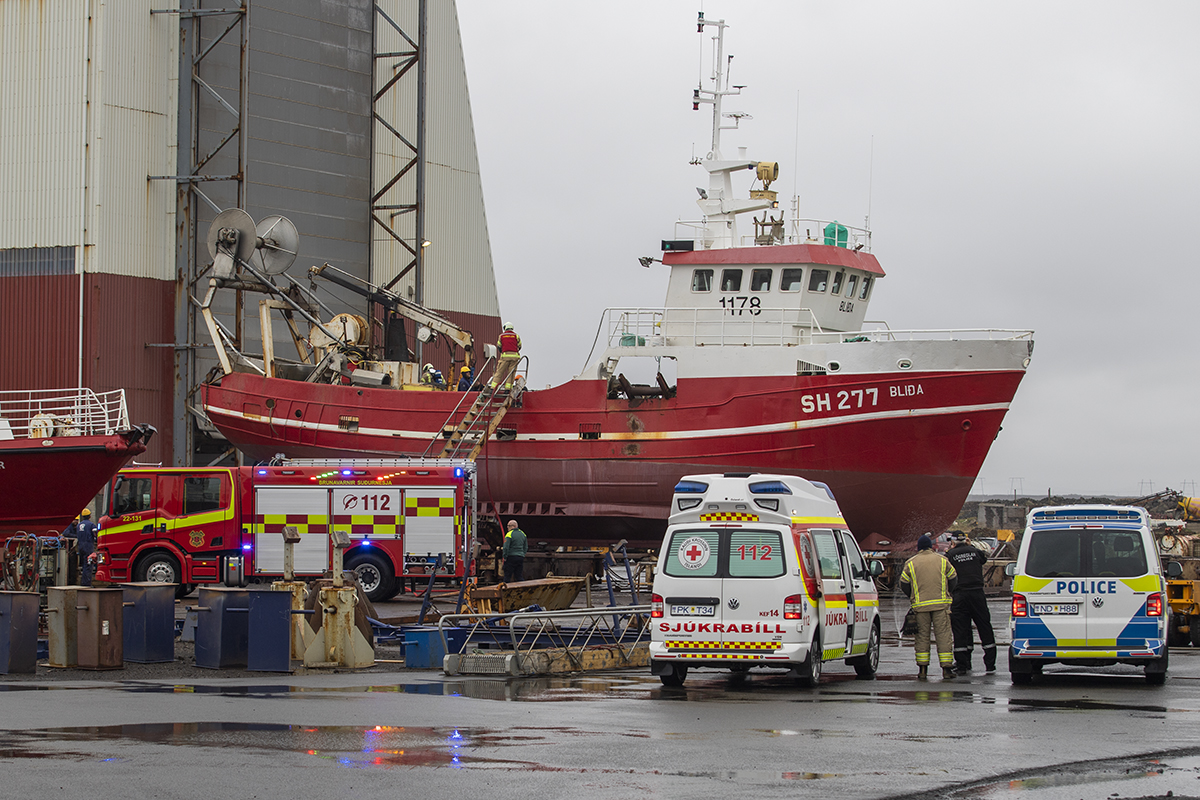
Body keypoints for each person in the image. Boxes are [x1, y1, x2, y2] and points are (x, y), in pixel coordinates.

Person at [899, 533, 958, 680]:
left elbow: (903, 584)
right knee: (943, 636)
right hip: (941, 605)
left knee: (922, 637)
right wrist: (947, 592)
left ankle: (923, 670)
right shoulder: (943, 560)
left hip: (920, 607)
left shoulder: (911, 563)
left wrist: (913, 597)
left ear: (918, 547)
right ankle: (946, 669)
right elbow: (954, 579)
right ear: (931, 547)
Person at [946, 531, 997, 673]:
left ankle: (963, 665)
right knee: (984, 626)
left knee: (960, 629)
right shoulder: (975, 552)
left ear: (953, 542)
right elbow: (983, 559)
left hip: (960, 594)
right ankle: (990, 664)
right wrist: (970, 546)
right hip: (977, 594)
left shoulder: (950, 555)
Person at [65, 509, 99, 586]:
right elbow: (96, 534)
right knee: (89, 565)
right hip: (88, 547)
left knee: (83, 565)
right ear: (90, 516)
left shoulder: (79, 525)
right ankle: (86, 584)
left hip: (80, 547)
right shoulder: (91, 525)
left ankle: (83, 582)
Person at [490, 322, 522, 392]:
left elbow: (499, 346)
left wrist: (503, 352)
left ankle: (493, 388)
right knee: (511, 373)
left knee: (499, 372)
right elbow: (519, 346)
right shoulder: (516, 336)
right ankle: (508, 389)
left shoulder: (501, 336)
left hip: (504, 357)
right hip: (514, 357)